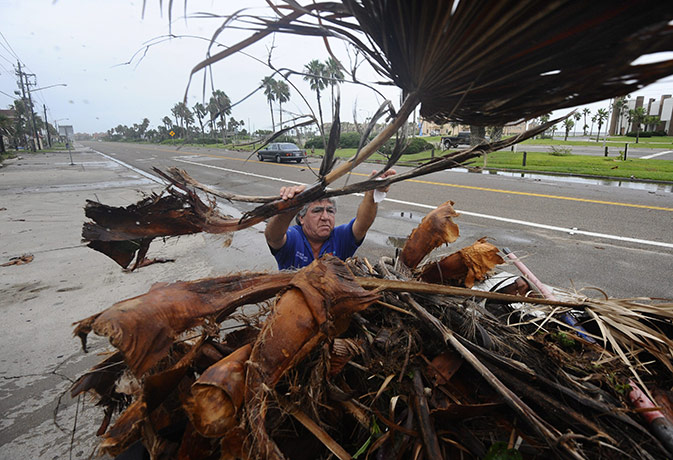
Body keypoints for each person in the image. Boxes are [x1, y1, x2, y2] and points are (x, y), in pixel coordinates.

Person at [265, 170, 396, 270]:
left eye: (330, 211)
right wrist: (290, 205)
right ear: (301, 218)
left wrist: (372, 193)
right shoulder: (294, 237)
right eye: (317, 211)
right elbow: (273, 237)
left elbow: (363, 223)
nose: (325, 217)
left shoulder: (340, 237)